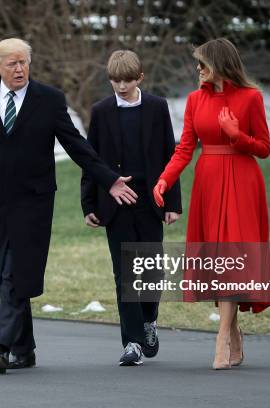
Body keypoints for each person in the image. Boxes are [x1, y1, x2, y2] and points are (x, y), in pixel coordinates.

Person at [0, 38, 138, 374]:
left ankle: (1, 344)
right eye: (12, 63)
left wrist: (109, 179)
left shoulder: (49, 99)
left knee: (15, 270)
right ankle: (25, 349)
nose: (19, 69)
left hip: (33, 200)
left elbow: (77, 145)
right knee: (5, 272)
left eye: (24, 62)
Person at [152, 38, 270, 370]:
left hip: (243, 182)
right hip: (209, 181)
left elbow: (263, 148)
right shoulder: (194, 100)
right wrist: (165, 178)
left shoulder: (251, 98)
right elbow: (185, 149)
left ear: (219, 65)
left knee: (234, 258)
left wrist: (236, 135)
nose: (198, 69)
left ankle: (221, 338)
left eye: (203, 63)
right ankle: (233, 333)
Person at [81, 50, 182, 366]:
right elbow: (91, 161)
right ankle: (133, 342)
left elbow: (170, 155)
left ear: (140, 78)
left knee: (152, 270)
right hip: (115, 204)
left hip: (151, 200)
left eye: (126, 80)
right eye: (115, 81)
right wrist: (89, 204)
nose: (121, 86)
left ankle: (149, 319)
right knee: (125, 272)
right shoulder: (101, 111)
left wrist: (173, 203)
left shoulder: (156, 107)